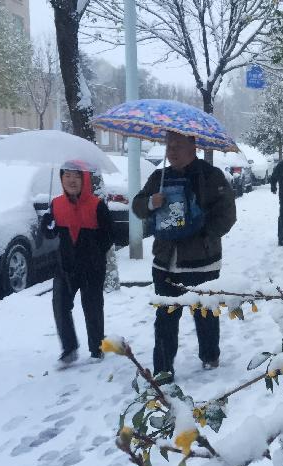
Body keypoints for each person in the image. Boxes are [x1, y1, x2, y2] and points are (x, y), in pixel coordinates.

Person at [132, 131, 237, 381]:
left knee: (205, 314)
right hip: (165, 263)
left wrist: (202, 234)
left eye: (178, 144)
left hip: (202, 263)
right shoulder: (159, 177)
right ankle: (163, 370)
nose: (172, 150)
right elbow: (137, 206)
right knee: (165, 318)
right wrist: (150, 203)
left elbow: (227, 215)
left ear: (194, 146)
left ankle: (210, 356)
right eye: (169, 144)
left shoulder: (211, 176)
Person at [41, 160, 114, 367]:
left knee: (92, 307)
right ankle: (69, 348)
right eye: (67, 176)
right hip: (65, 267)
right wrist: (47, 224)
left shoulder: (96, 205)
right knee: (60, 305)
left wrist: (94, 251)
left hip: (92, 267)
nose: (71, 180)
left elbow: (109, 235)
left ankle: (97, 347)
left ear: (85, 179)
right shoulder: (56, 204)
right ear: (61, 178)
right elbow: (50, 232)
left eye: (76, 176)